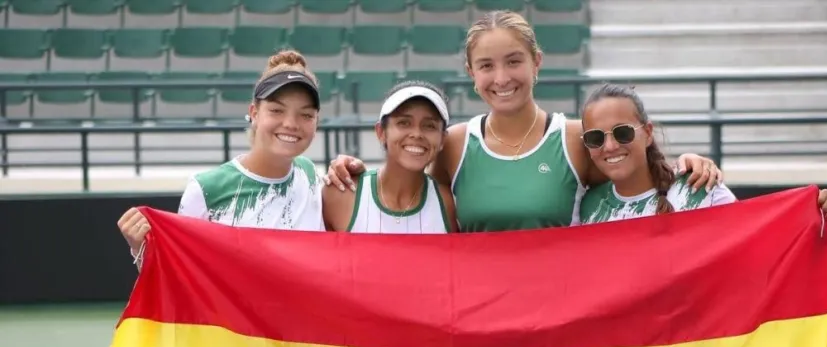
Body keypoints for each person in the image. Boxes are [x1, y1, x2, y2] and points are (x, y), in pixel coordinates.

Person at [322, 10, 725, 233]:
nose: (502, 78)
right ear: (471, 73)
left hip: (558, 319)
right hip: (478, 320)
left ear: (536, 63)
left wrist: (686, 165)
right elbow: (411, 188)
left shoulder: (573, 139)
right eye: (486, 66)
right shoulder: (455, 144)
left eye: (514, 61)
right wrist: (353, 169)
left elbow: (630, 182)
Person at [117, 49, 325, 269]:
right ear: (254, 113)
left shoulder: (310, 175)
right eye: (276, 110)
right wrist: (140, 249)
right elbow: (181, 275)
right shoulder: (207, 190)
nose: (291, 124)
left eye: (306, 115)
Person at [577, 83, 827, 225]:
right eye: (595, 138)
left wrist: (817, 220)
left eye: (623, 132)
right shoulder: (587, 207)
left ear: (647, 133)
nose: (610, 146)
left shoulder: (700, 189)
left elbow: (754, 246)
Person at [322, 80, 458, 233]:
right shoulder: (340, 194)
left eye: (429, 126)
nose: (417, 134)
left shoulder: (449, 204)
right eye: (404, 123)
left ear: (442, 139)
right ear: (381, 132)